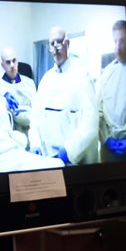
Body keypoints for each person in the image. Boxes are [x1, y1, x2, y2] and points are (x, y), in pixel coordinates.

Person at [33, 26, 99, 165]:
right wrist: (35, 143)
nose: (56, 48)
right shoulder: (46, 79)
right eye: (52, 44)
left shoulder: (81, 76)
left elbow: (91, 122)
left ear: (67, 44)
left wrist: (69, 152)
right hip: (49, 158)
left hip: (74, 159)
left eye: (59, 42)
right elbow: (36, 117)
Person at [97, 20, 126, 162]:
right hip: (107, 147)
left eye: (122, 41)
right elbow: (99, 111)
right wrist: (106, 138)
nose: (117, 48)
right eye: (115, 41)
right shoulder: (106, 73)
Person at [0, 46, 35, 141]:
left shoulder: (29, 83)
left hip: (30, 134)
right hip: (10, 138)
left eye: (14, 61)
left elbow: (37, 110)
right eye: (8, 62)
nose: (12, 65)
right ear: (2, 65)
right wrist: (4, 94)